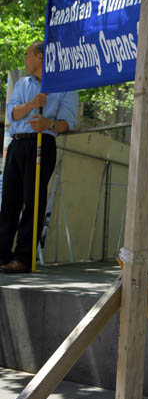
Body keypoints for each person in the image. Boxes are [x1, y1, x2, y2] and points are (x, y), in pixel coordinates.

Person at [0, 42, 78, 273]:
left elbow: (68, 123)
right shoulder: (22, 84)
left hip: (41, 144)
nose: (25, 60)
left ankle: (24, 257)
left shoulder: (65, 86)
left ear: (40, 57)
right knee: (9, 202)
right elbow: (13, 114)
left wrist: (48, 124)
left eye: (28, 55)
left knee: (33, 201)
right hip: (17, 144)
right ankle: (2, 253)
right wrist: (33, 104)